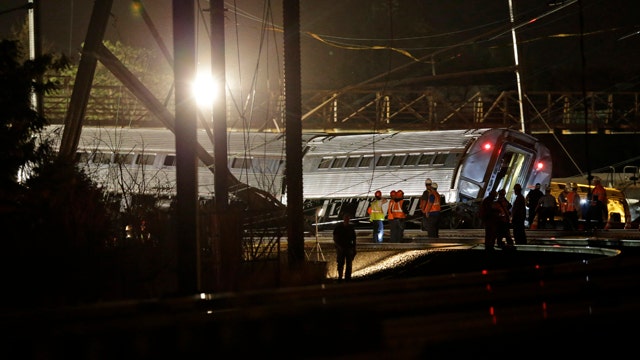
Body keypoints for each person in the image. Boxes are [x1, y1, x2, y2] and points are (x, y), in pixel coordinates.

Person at [332, 212, 357, 281]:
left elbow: (354, 239)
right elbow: (335, 239)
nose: (347, 220)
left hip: (346, 248)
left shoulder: (345, 228)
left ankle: (345, 277)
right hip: (342, 248)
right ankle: (342, 277)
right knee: (342, 263)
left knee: (346, 263)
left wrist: (354, 248)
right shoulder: (340, 228)